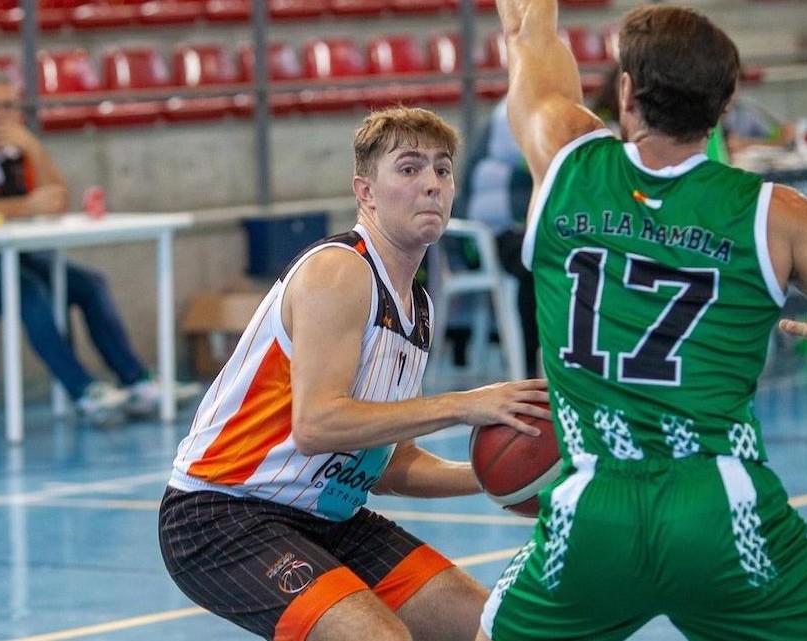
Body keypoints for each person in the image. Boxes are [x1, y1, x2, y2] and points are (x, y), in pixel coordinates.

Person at [477, 2, 807, 640]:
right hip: (722, 506)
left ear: (626, 94)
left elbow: (525, 30)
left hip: (594, 504)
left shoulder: (565, 161)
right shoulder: (779, 215)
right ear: (723, 108)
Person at [158, 106, 549, 641]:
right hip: (223, 514)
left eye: (442, 169)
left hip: (326, 518)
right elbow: (318, 424)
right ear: (365, 192)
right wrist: (465, 403)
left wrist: (510, 479)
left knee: (495, 628)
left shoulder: (418, 306)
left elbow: (386, 465)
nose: (431, 185)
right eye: (409, 169)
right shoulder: (340, 270)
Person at [0, 69, 166, 424]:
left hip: (8, 259)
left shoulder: (19, 149)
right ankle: (84, 391)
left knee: (89, 284)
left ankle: (137, 381)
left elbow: (57, 198)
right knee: (26, 288)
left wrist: (33, 147)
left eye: (7, 106)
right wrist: (25, 207)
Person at [455, 98, 539, 377]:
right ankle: (528, 370)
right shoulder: (513, 112)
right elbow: (543, 156)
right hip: (482, 239)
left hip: (515, 231)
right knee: (534, 263)